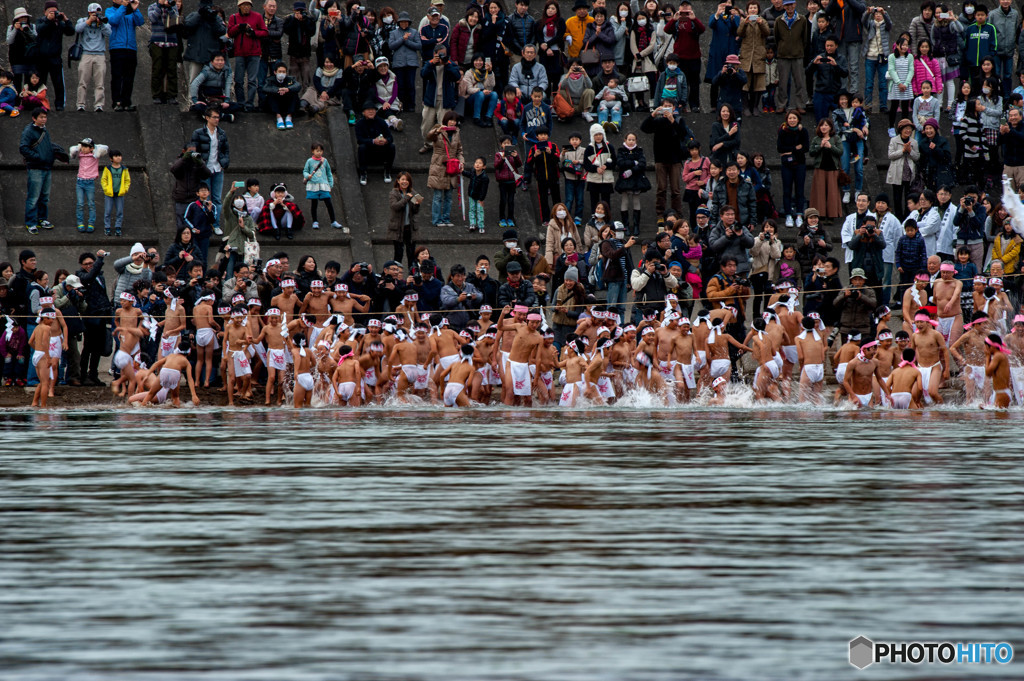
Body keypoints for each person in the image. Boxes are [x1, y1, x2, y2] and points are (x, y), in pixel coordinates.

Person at [20, 108, 67, 235]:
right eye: (41, 117)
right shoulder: (29, 131)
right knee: (33, 197)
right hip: (36, 168)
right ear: (34, 118)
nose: (44, 119)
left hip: (46, 167)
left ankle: (42, 219)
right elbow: (23, 148)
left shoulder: (44, 130)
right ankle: (31, 222)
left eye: (45, 117)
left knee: (44, 196)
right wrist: (38, 157)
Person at [33, 1, 75, 112]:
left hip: (55, 58)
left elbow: (71, 31)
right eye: (50, 11)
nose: (53, 13)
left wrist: (66, 19)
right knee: (41, 82)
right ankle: (39, 104)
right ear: (45, 12)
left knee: (58, 82)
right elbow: (40, 30)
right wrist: (48, 20)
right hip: (41, 58)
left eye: (54, 11)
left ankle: (60, 105)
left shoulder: (59, 23)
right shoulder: (41, 21)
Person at [228, 0, 268, 111]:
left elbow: (265, 32)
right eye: (244, 5)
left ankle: (250, 103)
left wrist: (253, 32)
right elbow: (230, 32)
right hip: (239, 53)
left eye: (248, 5)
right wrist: (239, 27)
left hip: (254, 53)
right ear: (239, 6)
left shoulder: (257, 16)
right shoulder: (233, 17)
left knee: (252, 80)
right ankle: (241, 103)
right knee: (239, 80)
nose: (246, 7)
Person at [418, 47, 461, 152]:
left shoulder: (451, 64)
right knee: (426, 126)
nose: (443, 56)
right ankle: (428, 145)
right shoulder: (430, 63)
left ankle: (441, 147)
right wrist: (432, 63)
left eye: (444, 54)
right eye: (440, 54)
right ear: (435, 53)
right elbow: (423, 74)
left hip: (445, 101)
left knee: (444, 126)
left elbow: (457, 76)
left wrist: (447, 64)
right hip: (431, 99)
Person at [425, 111, 463, 229]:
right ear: (446, 120)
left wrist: (461, 161)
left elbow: (459, 150)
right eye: (450, 120)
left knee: (449, 196)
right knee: (437, 196)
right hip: (439, 165)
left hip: (452, 166)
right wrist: (437, 130)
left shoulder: (456, 132)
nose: (452, 122)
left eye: (454, 120)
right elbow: (429, 137)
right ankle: (436, 220)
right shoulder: (438, 129)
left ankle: (446, 218)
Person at [190, 108, 230, 217]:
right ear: (207, 118)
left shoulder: (221, 133)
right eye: (214, 117)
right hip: (205, 169)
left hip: (218, 168)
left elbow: (226, 150)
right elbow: (193, 152)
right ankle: (205, 222)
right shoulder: (198, 133)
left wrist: (224, 163)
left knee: (217, 198)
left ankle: (216, 223)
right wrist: (200, 165)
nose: (217, 120)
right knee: (204, 198)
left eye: (218, 117)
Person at [773, 0, 808, 114]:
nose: (789, 7)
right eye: (787, 5)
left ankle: (800, 104)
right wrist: (782, 48)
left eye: (791, 4)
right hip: (783, 55)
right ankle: (782, 104)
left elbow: (805, 38)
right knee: (782, 82)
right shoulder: (779, 20)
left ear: (795, 4)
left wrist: (799, 49)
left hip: (797, 55)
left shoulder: (802, 19)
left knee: (799, 82)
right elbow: (776, 37)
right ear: (784, 6)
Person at [75, 3, 111, 112]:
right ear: (89, 13)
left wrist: (102, 24)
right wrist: (89, 21)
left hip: (99, 55)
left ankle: (99, 105)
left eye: (98, 13)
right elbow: (77, 29)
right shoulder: (82, 21)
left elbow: (109, 33)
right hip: (86, 54)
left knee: (99, 83)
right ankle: (80, 104)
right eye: (94, 13)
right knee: (82, 82)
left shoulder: (104, 22)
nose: (97, 15)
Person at [806, 35, 847, 122]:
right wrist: (814, 63)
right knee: (821, 122)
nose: (829, 48)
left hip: (835, 94)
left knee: (841, 122)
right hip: (821, 93)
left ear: (836, 46)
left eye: (831, 46)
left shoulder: (841, 58)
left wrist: (836, 66)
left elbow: (845, 73)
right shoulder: (820, 57)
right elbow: (807, 72)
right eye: (827, 45)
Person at [808, 116, 842, 219]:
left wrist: (831, 147)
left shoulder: (836, 138)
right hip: (820, 168)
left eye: (826, 125)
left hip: (832, 169)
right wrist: (820, 146)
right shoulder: (816, 139)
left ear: (830, 127)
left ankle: (831, 215)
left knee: (832, 192)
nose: (824, 127)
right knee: (819, 192)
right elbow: (811, 152)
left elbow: (840, 152)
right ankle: (820, 215)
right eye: (822, 125)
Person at [355, 101, 397, 186]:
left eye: (373, 110)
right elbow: (359, 140)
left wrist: (385, 141)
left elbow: (390, 137)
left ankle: (387, 171)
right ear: (363, 112)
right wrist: (373, 141)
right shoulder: (359, 124)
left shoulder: (381, 122)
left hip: (381, 150)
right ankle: (363, 173)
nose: (371, 112)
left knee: (392, 146)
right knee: (362, 147)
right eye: (368, 110)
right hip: (368, 151)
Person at [886, 119, 920, 219]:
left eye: (910, 129)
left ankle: (907, 217)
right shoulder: (894, 140)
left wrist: (910, 151)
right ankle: (898, 217)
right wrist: (902, 151)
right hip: (897, 172)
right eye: (906, 128)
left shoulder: (914, 142)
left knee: (908, 197)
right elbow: (890, 155)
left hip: (909, 173)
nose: (908, 131)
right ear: (901, 130)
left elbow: (917, 157)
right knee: (897, 197)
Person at [100, 150, 130, 237]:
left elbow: (127, 180)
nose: (118, 158)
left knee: (120, 211)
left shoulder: (124, 169)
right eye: (116, 156)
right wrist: (106, 189)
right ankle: (107, 227)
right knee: (108, 211)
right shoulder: (108, 169)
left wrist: (125, 189)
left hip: (120, 193)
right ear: (111, 158)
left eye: (119, 156)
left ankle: (118, 227)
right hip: (109, 193)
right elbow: (103, 180)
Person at [263, 60, 300, 128]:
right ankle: (279, 118)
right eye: (280, 71)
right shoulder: (270, 80)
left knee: (294, 94)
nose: (281, 73)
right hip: (275, 104)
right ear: (275, 72)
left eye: (283, 72)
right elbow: (265, 88)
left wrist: (288, 89)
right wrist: (277, 89)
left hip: (287, 102)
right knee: (271, 95)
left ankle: (289, 117)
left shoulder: (290, 79)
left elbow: (298, 85)